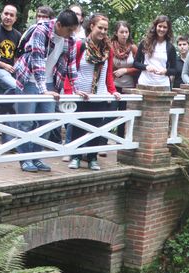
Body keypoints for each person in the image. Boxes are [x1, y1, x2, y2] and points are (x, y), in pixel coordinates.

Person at [13, 8, 86, 172]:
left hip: (50, 82)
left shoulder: (70, 39)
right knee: (26, 122)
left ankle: (36, 157)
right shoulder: (41, 30)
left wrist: (76, 88)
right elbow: (37, 60)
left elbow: (70, 64)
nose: (70, 34)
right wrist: (42, 89)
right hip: (29, 80)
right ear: (59, 24)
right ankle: (24, 159)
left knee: (46, 123)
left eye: (73, 31)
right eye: (68, 30)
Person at [64, 14, 121, 171]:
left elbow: (108, 74)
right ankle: (75, 156)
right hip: (82, 94)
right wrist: (73, 91)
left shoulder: (107, 49)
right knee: (78, 126)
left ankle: (92, 158)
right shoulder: (79, 45)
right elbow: (70, 70)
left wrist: (113, 91)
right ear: (92, 26)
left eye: (105, 29)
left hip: (99, 94)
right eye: (100, 28)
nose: (103, 31)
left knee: (96, 128)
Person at [110, 20, 139, 139]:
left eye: (126, 32)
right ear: (116, 33)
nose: (124, 34)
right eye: (121, 32)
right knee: (110, 114)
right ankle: (102, 142)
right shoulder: (110, 47)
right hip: (113, 86)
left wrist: (125, 70)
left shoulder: (133, 48)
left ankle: (120, 142)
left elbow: (138, 67)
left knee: (124, 115)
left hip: (129, 87)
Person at [134, 15, 177, 88]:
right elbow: (135, 63)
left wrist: (165, 71)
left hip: (163, 85)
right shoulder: (144, 43)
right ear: (155, 26)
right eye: (160, 26)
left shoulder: (171, 47)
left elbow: (174, 70)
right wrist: (146, 67)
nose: (162, 29)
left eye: (165, 27)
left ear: (168, 29)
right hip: (145, 83)